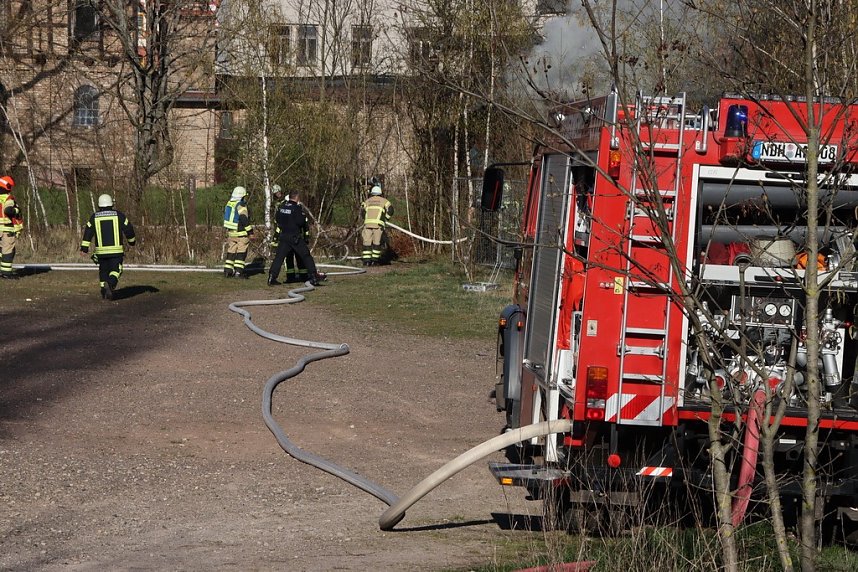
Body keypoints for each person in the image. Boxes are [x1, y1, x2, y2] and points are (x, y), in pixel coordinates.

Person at [79, 194, 136, 300]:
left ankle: (104, 291)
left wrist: (84, 248)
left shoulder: (94, 217)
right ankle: (110, 284)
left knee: (103, 270)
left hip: (101, 253)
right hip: (116, 252)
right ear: (111, 204)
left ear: (99, 205)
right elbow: (128, 228)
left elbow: (88, 232)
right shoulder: (119, 215)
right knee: (116, 270)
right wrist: (132, 241)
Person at [268, 191, 326, 286]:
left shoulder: (282, 207)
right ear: (296, 198)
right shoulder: (297, 208)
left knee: (279, 257)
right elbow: (301, 222)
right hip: (295, 237)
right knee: (306, 256)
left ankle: (272, 277)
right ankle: (314, 276)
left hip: (284, 236)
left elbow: (277, 220)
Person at [223, 186, 252, 278]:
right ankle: (238, 272)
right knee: (241, 251)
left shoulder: (229, 203)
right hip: (241, 233)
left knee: (231, 251)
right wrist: (250, 231)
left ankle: (228, 271)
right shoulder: (240, 205)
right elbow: (244, 218)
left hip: (231, 232)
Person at [360, 184, 393, 266]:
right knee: (376, 243)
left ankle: (366, 261)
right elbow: (391, 210)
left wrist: (366, 219)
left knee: (367, 243)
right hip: (378, 225)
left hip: (367, 225)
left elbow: (362, 211)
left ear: (372, 193)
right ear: (380, 193)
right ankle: (375, 261)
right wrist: (385, 219)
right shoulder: (384, 201)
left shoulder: (367, 201)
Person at [0, 175, 23, 279]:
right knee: (8, 251)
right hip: (6, 230)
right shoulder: (8, 199)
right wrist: (17, 211)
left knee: (1, 251)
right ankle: (6, 273)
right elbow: (8, 211)